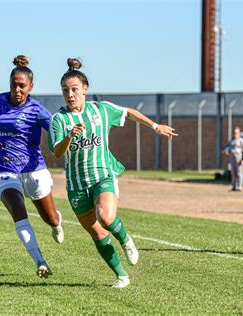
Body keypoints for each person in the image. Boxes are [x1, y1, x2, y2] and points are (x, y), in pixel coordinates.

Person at [48, 58, 178, 288]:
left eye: (74, 90)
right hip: (77, 186)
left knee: (105, 217)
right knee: (97, 233)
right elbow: (57, 152)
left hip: (103, 175)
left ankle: (126, 240)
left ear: (85, 90)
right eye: (65, 90)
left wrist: (156, 127)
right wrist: (69, 137)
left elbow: (128, 112)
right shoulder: (59, 120)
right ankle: (121, 276)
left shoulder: (101, 110)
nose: (70, 95)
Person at [0, 55, 64, 278]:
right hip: (4, 170)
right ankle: (40, 262)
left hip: (34, 170)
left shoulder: (37, 110)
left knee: (50, 218)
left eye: (22, 86)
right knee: (18, 211)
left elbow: (56, 128)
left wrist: (66, 140)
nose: (17, 89)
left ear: (31, 87)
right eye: (13, 85)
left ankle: (57, 224)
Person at [223, 127, 243, 191]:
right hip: (232, 158)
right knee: (233, 172)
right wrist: (226, 151)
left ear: (239, 133)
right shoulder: (231, 140)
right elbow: (227, 148)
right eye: (234, 133)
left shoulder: (241, 140)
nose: (235, 134)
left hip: (239, 158)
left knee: (239, 173)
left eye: (236, 133)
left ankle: (239, 187)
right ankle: (234, 186)